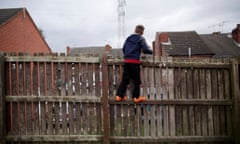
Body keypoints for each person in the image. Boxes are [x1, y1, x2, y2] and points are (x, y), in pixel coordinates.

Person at [116, 24, 153, 103]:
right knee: (137, 81)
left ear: (135, 30)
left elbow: (124, 48)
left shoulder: (128, 38)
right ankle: (136, 97)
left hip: (127, 61)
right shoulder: (141, 39)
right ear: (142, 32)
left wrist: (127, 55)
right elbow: (145, 49)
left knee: (125, 80)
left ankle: (119, 96)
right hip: (135, 62)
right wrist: (152, 51)